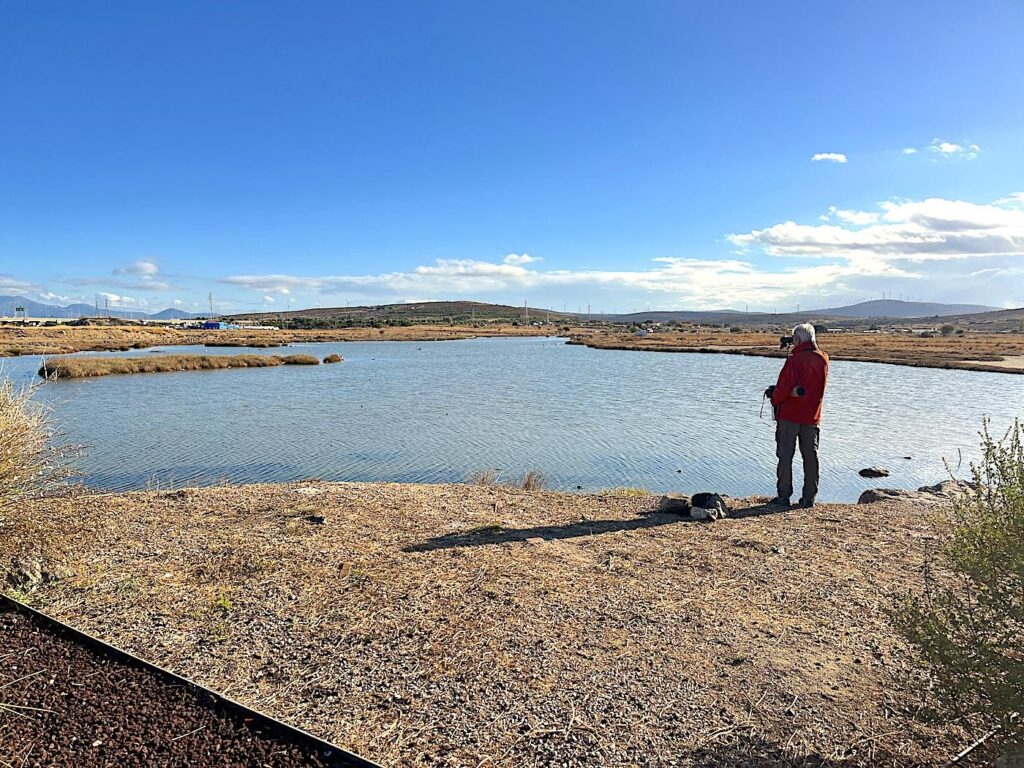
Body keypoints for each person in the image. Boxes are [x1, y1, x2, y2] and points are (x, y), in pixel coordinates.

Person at [765, 323, 829, 508]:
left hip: (790, 416)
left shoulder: (795, 360)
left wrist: (774, 398)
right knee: (810, 456)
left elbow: (784, 388)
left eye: (794, 339)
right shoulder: (824, 358)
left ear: (798, 339)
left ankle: (784, 496)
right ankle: (809, 497)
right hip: (812, 416)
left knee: (785, 456)